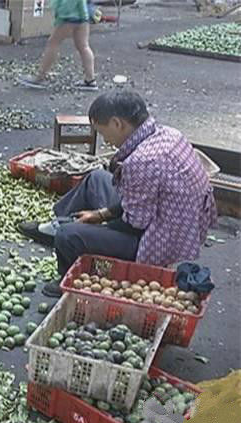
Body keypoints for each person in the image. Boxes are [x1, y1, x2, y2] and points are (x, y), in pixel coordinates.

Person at [18, 91, 217, 297]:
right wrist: (101, 214)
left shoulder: (142, 161)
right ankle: (59, 225)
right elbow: (143, 198)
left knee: (68, 236)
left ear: (117, 123)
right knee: (96, 178)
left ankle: (68, 276)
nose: (105, 140)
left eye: (103, 132)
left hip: (158, 239)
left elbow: (134, 224)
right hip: (166, 217)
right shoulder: (167, 133)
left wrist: (99, 223)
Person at [18, 0, 97, 91]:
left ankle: (40, 77)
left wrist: (59, 16)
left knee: (53, 44)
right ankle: (90, 80)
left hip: (68, 17)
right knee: (84, 46)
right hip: (83, 16)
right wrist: (85, 17)